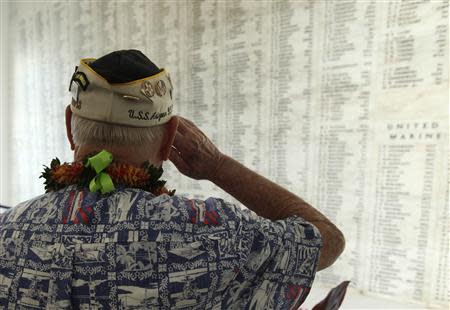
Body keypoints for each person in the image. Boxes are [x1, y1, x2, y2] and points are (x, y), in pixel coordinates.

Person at [0, 50, 345, 309]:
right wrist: (217, 165)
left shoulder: (6, 233)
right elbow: (327, 240)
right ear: (169, 138)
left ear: (69, 127)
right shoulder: (217, 234)